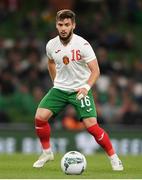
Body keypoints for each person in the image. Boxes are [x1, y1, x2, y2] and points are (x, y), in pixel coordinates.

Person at [33, 9, 123, 171]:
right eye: (60, 24)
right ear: (56, 25)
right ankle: (47, 153)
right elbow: (51, 62)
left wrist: (86, 87)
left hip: (80, 89)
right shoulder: (51, 45)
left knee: (92, 127)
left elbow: (95, 71)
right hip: (60, 89)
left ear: (73, 25)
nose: (63, 28)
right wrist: (55, 82)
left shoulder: (83, 45)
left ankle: (114, 157)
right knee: (40, 117)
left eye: (67, 24)